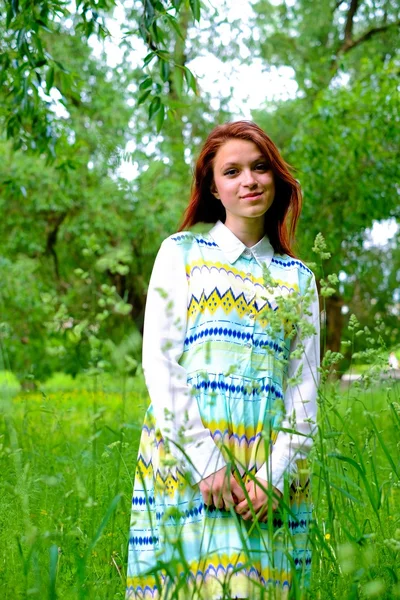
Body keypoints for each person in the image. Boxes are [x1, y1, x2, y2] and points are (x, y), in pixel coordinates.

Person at [126, 121, 320, 600]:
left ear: (276, 177)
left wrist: (274, 477)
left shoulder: (298, 279)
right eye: (231, 171)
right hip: (191, 458)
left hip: (269, 468)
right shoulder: (183, 254)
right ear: (213, 186)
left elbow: (305, 388)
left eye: (259, 168)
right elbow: (161, 361)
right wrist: (207, 461)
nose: (249, 181)